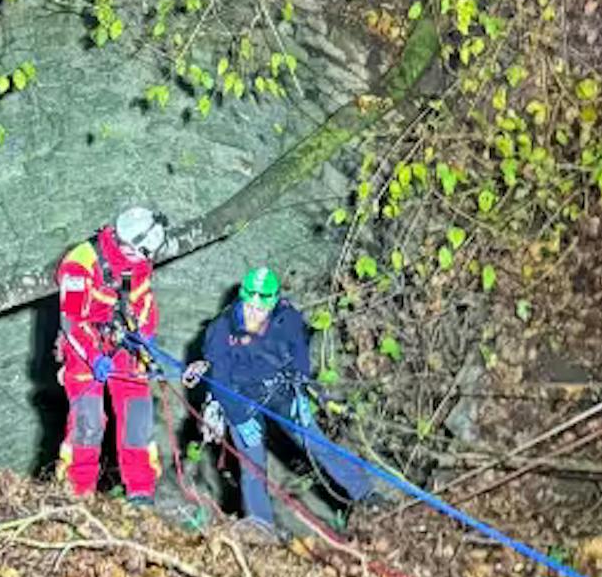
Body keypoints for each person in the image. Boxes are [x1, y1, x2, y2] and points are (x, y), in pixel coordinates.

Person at [183, 266, 373, 540]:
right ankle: (262, 526)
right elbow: (220, 380)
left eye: (261, 310)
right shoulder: (221, 329)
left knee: (317, 443)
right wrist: (237, 418)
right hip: (241, 399)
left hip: (281, 393)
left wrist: (300, 389)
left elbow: (299, 355)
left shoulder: (288, 318)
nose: (253, 314)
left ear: (272, 305)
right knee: (252, 466)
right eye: (249, 306)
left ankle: (365, 493)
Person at [55, 206, 170, 501]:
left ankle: (141, 491)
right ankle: (78, 492)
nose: (145, 260)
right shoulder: (80, 262)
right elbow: (72, 321)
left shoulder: (139, 261)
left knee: (137, 414)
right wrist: (93, 357)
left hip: (124, 340)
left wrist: (144, 339)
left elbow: (143, 301)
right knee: (88, 421)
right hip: (85, 344)